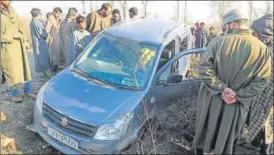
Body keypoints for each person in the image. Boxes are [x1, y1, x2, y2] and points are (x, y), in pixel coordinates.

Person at [193, 9, 272, 154]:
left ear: (234, 24)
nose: (224, 28)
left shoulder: (217, 43)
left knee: (206, 140)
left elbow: (204, 70)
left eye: (226, 25)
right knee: (227, 143)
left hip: (211, 102)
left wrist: (223, 89)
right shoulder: (262, 49)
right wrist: (237, 95)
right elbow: (262, 81)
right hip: (236, 107)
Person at [242, 13, 273, 155]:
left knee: (268, 127)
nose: (254, 36)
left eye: (256, 33)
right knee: (260, 123)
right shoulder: (263, 48)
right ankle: (258, 142)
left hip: (269, 97)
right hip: (260, 95)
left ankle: (265, 149)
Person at [1, 0, 35, 102]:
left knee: (25, 69)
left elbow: (20, 24)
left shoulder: (12, 10)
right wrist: (12, 35)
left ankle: (28, 90)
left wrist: (24, 37)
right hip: (7, 48)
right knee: (12, 73)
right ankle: (15, 94)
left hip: (19, 46)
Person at [30, 8, 51, 81]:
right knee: (42, 58)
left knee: (41, 58)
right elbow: (43, 34)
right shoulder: (36, 22)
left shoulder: (34, 21)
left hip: (38, 42)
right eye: (41, 14)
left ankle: (43, 73)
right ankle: (42, 75)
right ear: (38, 14)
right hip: (40, 42)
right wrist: (47, 32)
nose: (41, 15)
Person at [47, 7, 63, 74]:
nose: (59, 15)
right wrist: (49, 37)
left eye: (60, 14)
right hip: (53, 39)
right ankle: (53, 70)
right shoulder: (51, 18)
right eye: (58, 13)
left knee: (57, 53)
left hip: (57, 38)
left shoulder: (57, 19)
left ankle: (55, 68)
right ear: (54, 12)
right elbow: (47, 29)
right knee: (54, 54)